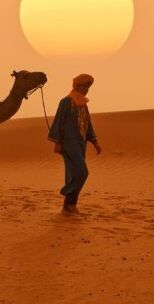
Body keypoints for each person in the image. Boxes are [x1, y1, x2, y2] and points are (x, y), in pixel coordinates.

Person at [48, 74, 102, 215]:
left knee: (73, 173)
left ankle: (69, 205)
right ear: (77, 86)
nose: (86, 90)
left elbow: (87, 124)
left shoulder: (83, 104)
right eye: (84, 86)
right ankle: (67, 195)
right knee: (82, 172)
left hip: (80, 144)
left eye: (88, 87)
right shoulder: (66, 102)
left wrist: (95, 142)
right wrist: (58, 142)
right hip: (68, 143)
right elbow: (59, 122)